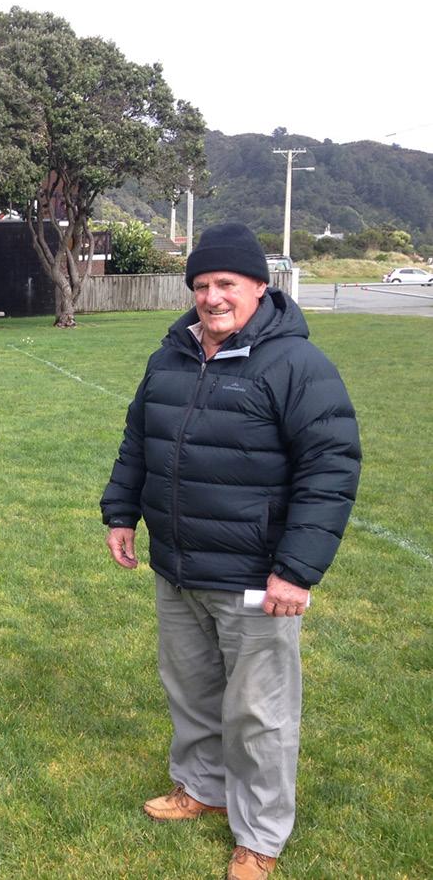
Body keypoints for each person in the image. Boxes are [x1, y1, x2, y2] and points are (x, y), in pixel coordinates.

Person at [100, 223, 361, 880]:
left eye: (225, 284)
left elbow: (330, 469)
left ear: (258, 288)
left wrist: (295, 571)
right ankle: (201, 787)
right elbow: (139, 440)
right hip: (177, 567)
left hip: (253, 575)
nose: (212, 297)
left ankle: (260, 836)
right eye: (200, 285)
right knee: (191, 691)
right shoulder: (170, 356)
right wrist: (121, 512)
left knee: (259, 712)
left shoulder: (296, 365)